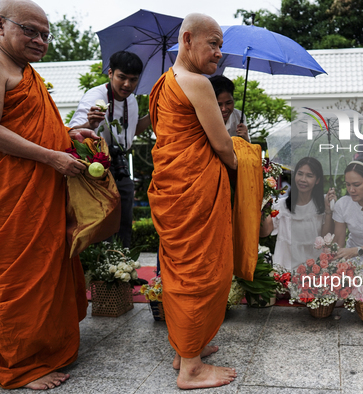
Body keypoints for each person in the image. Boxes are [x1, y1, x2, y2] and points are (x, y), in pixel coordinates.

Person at [0, 0, 95, 389]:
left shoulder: (27, 74)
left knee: (46, 269)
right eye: (30, 30)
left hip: (43, 190)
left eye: (45, 33)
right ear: (1, 26)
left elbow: (32, 128)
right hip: (15, 195)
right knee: (20, 276)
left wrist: (69, 138)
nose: (40, 40)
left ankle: (42, 349)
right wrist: (51, 156)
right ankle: (16, 366)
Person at [147, 13, 238, 389]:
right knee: (201, 271)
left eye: (220, 44)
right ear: (187, 40)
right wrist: (243, 164)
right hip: (194, 192)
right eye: (212, 43)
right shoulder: (198, 83)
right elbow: (221, 145)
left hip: (175, 189)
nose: (219, 52)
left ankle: (190, 347)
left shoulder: (164, 83)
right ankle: (191, 368)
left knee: (182, 270)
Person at [70, 50, 152, 248]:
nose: (127, 85)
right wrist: (90, 124)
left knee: (124, 219)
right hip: (98, 166)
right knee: (102, 222)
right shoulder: (95, 96)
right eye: (121, 77)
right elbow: (72, 132)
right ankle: (100, 273)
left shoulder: (131, 100)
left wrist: (152, 113)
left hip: (121, 165)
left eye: (133, 80)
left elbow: (131, 133)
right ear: (110, 73)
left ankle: (123, 267)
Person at [269, 157, 336, 270]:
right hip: (285, 272)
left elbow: (325, 239)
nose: (303, 179)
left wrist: (328, 211)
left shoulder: (323, 204)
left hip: (313, 272)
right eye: (300, 174)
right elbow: (265, 232)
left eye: (309, 176)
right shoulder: (281, 205)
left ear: (317, 180)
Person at [209, 75, 250, 142]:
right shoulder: (202, 118)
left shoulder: (239, 117)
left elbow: (248, 150)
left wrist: (245, 139)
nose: (224, 109)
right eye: (219, 104)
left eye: (229, 103)